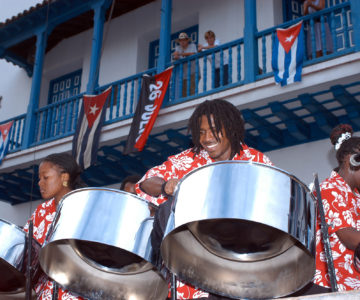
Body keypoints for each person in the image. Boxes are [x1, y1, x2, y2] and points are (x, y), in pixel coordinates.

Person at [135, 99, 273, 299]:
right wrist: (165, 186)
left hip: (244, 267)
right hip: (192, 271)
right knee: (168, 210)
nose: (207, 138)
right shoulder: (189, 159)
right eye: (201, 132)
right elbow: (145, 183)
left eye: (214, 130)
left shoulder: (257, 162)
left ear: (231, 128)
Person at [24, 153, 87, 299]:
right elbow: (26, 252)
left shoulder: (85, 206)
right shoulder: (41, 211)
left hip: (75, 291)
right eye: (39, 178)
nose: (40, 183)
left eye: (45, 177)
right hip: (42, 292)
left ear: (64, 177)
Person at [314, 124, 360, 291]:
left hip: (351, 285)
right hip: (329, 287)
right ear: (352, 160)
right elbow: (349, 237)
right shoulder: (330, 189)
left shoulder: (356, 196)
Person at [173, 32, 198, 97]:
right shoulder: (178, 48)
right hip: (183, 75)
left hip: (193, 72)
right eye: (181, 40)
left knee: (192, 92)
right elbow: (176, 56)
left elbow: (193, 53)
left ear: (187, 40)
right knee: (183, 94)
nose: (182, 42)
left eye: (184, 40)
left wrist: (181, 54)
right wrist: (176, 56)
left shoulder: (192, 45)